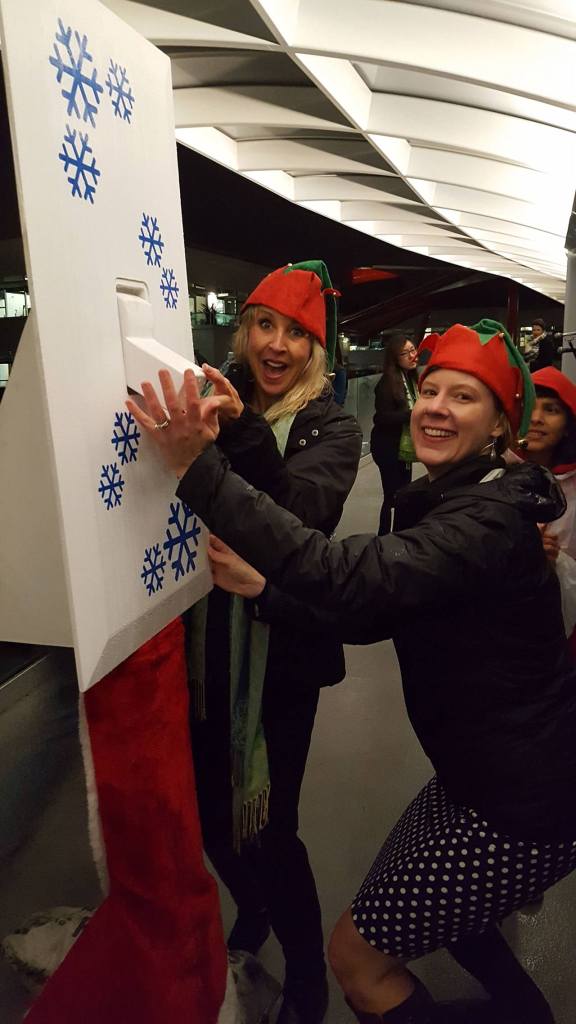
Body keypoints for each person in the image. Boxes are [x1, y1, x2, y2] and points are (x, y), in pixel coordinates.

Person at [128, 317, 576, 1024]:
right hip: (479, 782)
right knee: (452, 920)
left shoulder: (483, 521)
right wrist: (267, 592)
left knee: (357, 960)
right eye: (431, 389)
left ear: (499, 427)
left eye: (465, 397)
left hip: (521, 810)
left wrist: (195, 468)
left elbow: (346, 576)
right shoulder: (463, 499)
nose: (435, 406)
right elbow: (381, 614)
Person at [183, 260, 362, 1024]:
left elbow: (300, 520)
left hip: (280, 650)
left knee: (271, 830)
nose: (276, 344)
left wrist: (243, 429)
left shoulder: (331, 426)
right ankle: (250, 910)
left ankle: (309, 979)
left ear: (316, 351)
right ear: (243, 327)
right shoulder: (203, 400)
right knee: (208, 818)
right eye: (265, 324)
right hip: (198, 643)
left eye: (296, 332)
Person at [522, 366, 576, 649]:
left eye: (551, 410)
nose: (536, 419)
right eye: (529, 406)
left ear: (568, 424)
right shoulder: (492, 475)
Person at [370, 334, 418, 534]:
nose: (412, 355)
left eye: (413, 350)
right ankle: (385, 536)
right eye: (406, 353)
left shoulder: (410, 378)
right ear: (395, 358)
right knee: (392, 495)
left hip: (403, 447)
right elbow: (380, 418)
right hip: (387, 447)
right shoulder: (387, 383)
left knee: (404, 493)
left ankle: (400, 533)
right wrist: (411, 415)